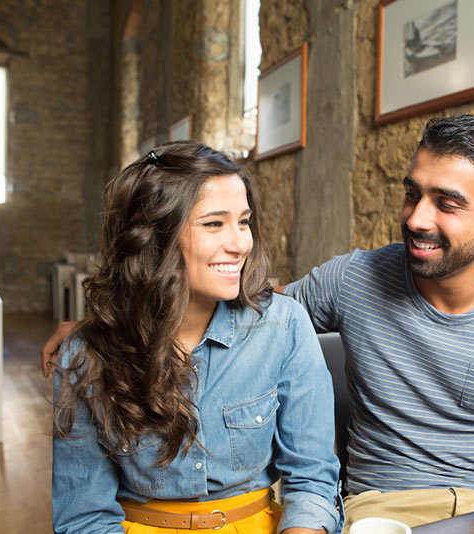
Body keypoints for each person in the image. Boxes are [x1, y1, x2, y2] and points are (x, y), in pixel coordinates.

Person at [44, 117, 474, 531]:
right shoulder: (351, 280)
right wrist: (102, 330)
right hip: (380, 515)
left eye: (447, 203)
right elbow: (234, 311)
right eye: (412, 193)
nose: (416, 218)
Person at [51, 141, 342, 534]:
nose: (240, 243)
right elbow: (83, 517)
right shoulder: (85, 355)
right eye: (213, 224)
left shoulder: (283, 326)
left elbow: (311, 481)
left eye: (244, 221)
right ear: (155, 237)